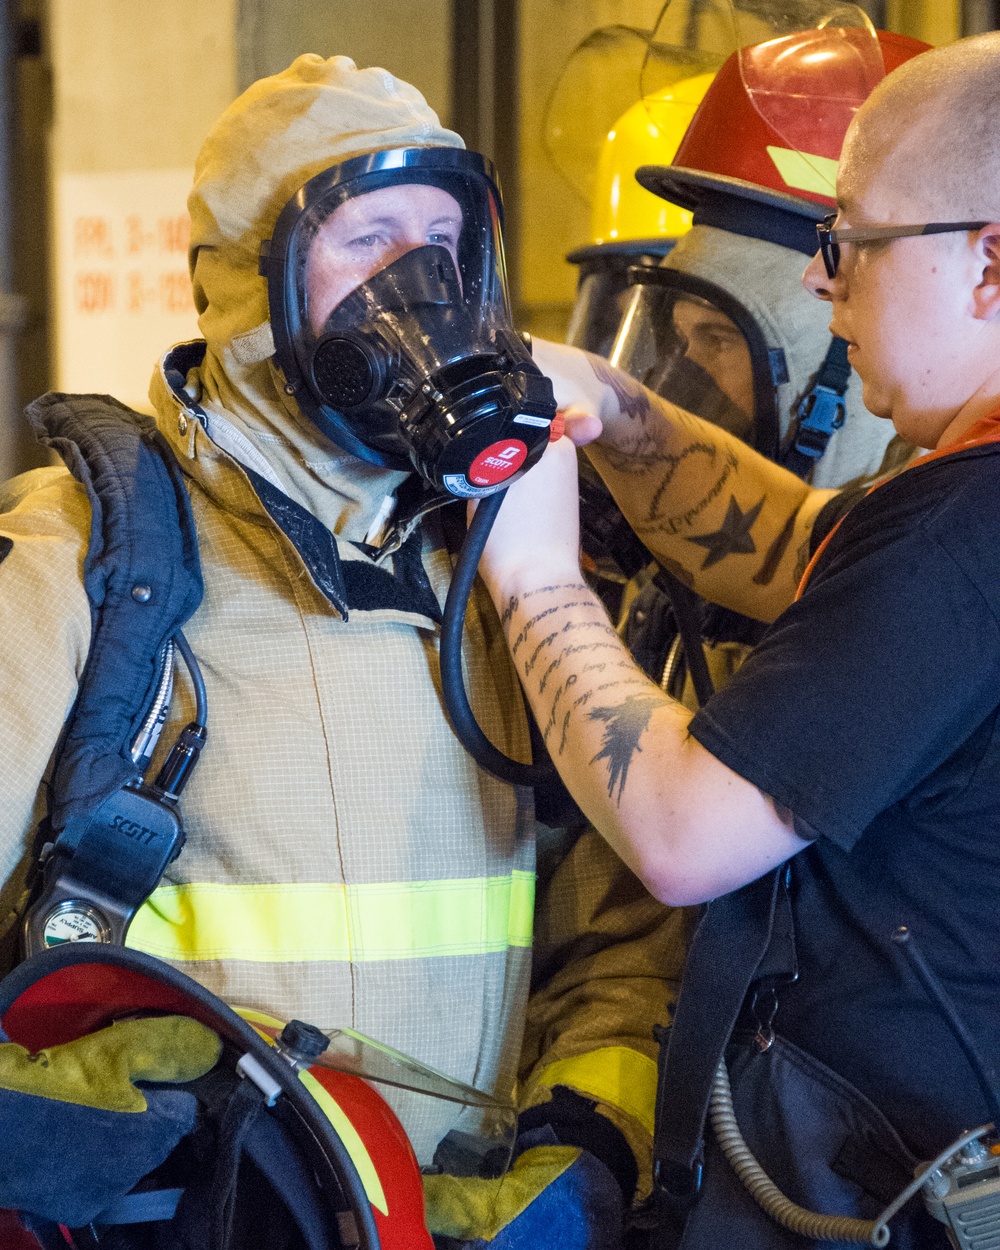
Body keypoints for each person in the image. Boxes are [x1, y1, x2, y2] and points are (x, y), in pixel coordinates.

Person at [0, 54, 678, 1247]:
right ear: (239, 284)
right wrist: (72, 1132)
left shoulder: (506, 569)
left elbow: (620, 933)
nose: (420, 286)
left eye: (442, 242)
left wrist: (584, 1141)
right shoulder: (85, 555)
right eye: (367, 242)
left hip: (453, 1219)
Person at [476, 30, 1000, 1248]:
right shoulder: (948, 522)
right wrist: (619, 416)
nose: (828, 281)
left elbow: (683, 832)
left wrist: (537, 572)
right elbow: (812, 541)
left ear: (987, 263)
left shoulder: (955, 533)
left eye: (853, 241)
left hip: (883, 1188)